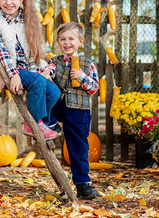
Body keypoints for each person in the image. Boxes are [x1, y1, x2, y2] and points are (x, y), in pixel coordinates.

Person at [0, 0, 61, 140]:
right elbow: (1, 51)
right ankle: (34, 123)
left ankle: (44, 120)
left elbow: (35, 50)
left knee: (54, 91)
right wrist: (13, 74)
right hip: (8, 69)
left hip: (29, 70)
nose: (8, 2)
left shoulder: (29, 19)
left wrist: (45, 70)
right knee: (38, 82)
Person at [50, 21, 100, 200]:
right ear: (58, 42)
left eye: (71, 39)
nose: (67, 42)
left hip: (78, 110)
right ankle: (51, 124)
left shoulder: (88, 64)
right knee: (45, 99)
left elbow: (94, 88)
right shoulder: (54, 62)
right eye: (62, 39)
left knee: (78, 147)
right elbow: (47, 77)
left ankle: (83, 184)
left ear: (80, 41)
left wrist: (82, 77)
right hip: (59, 105)